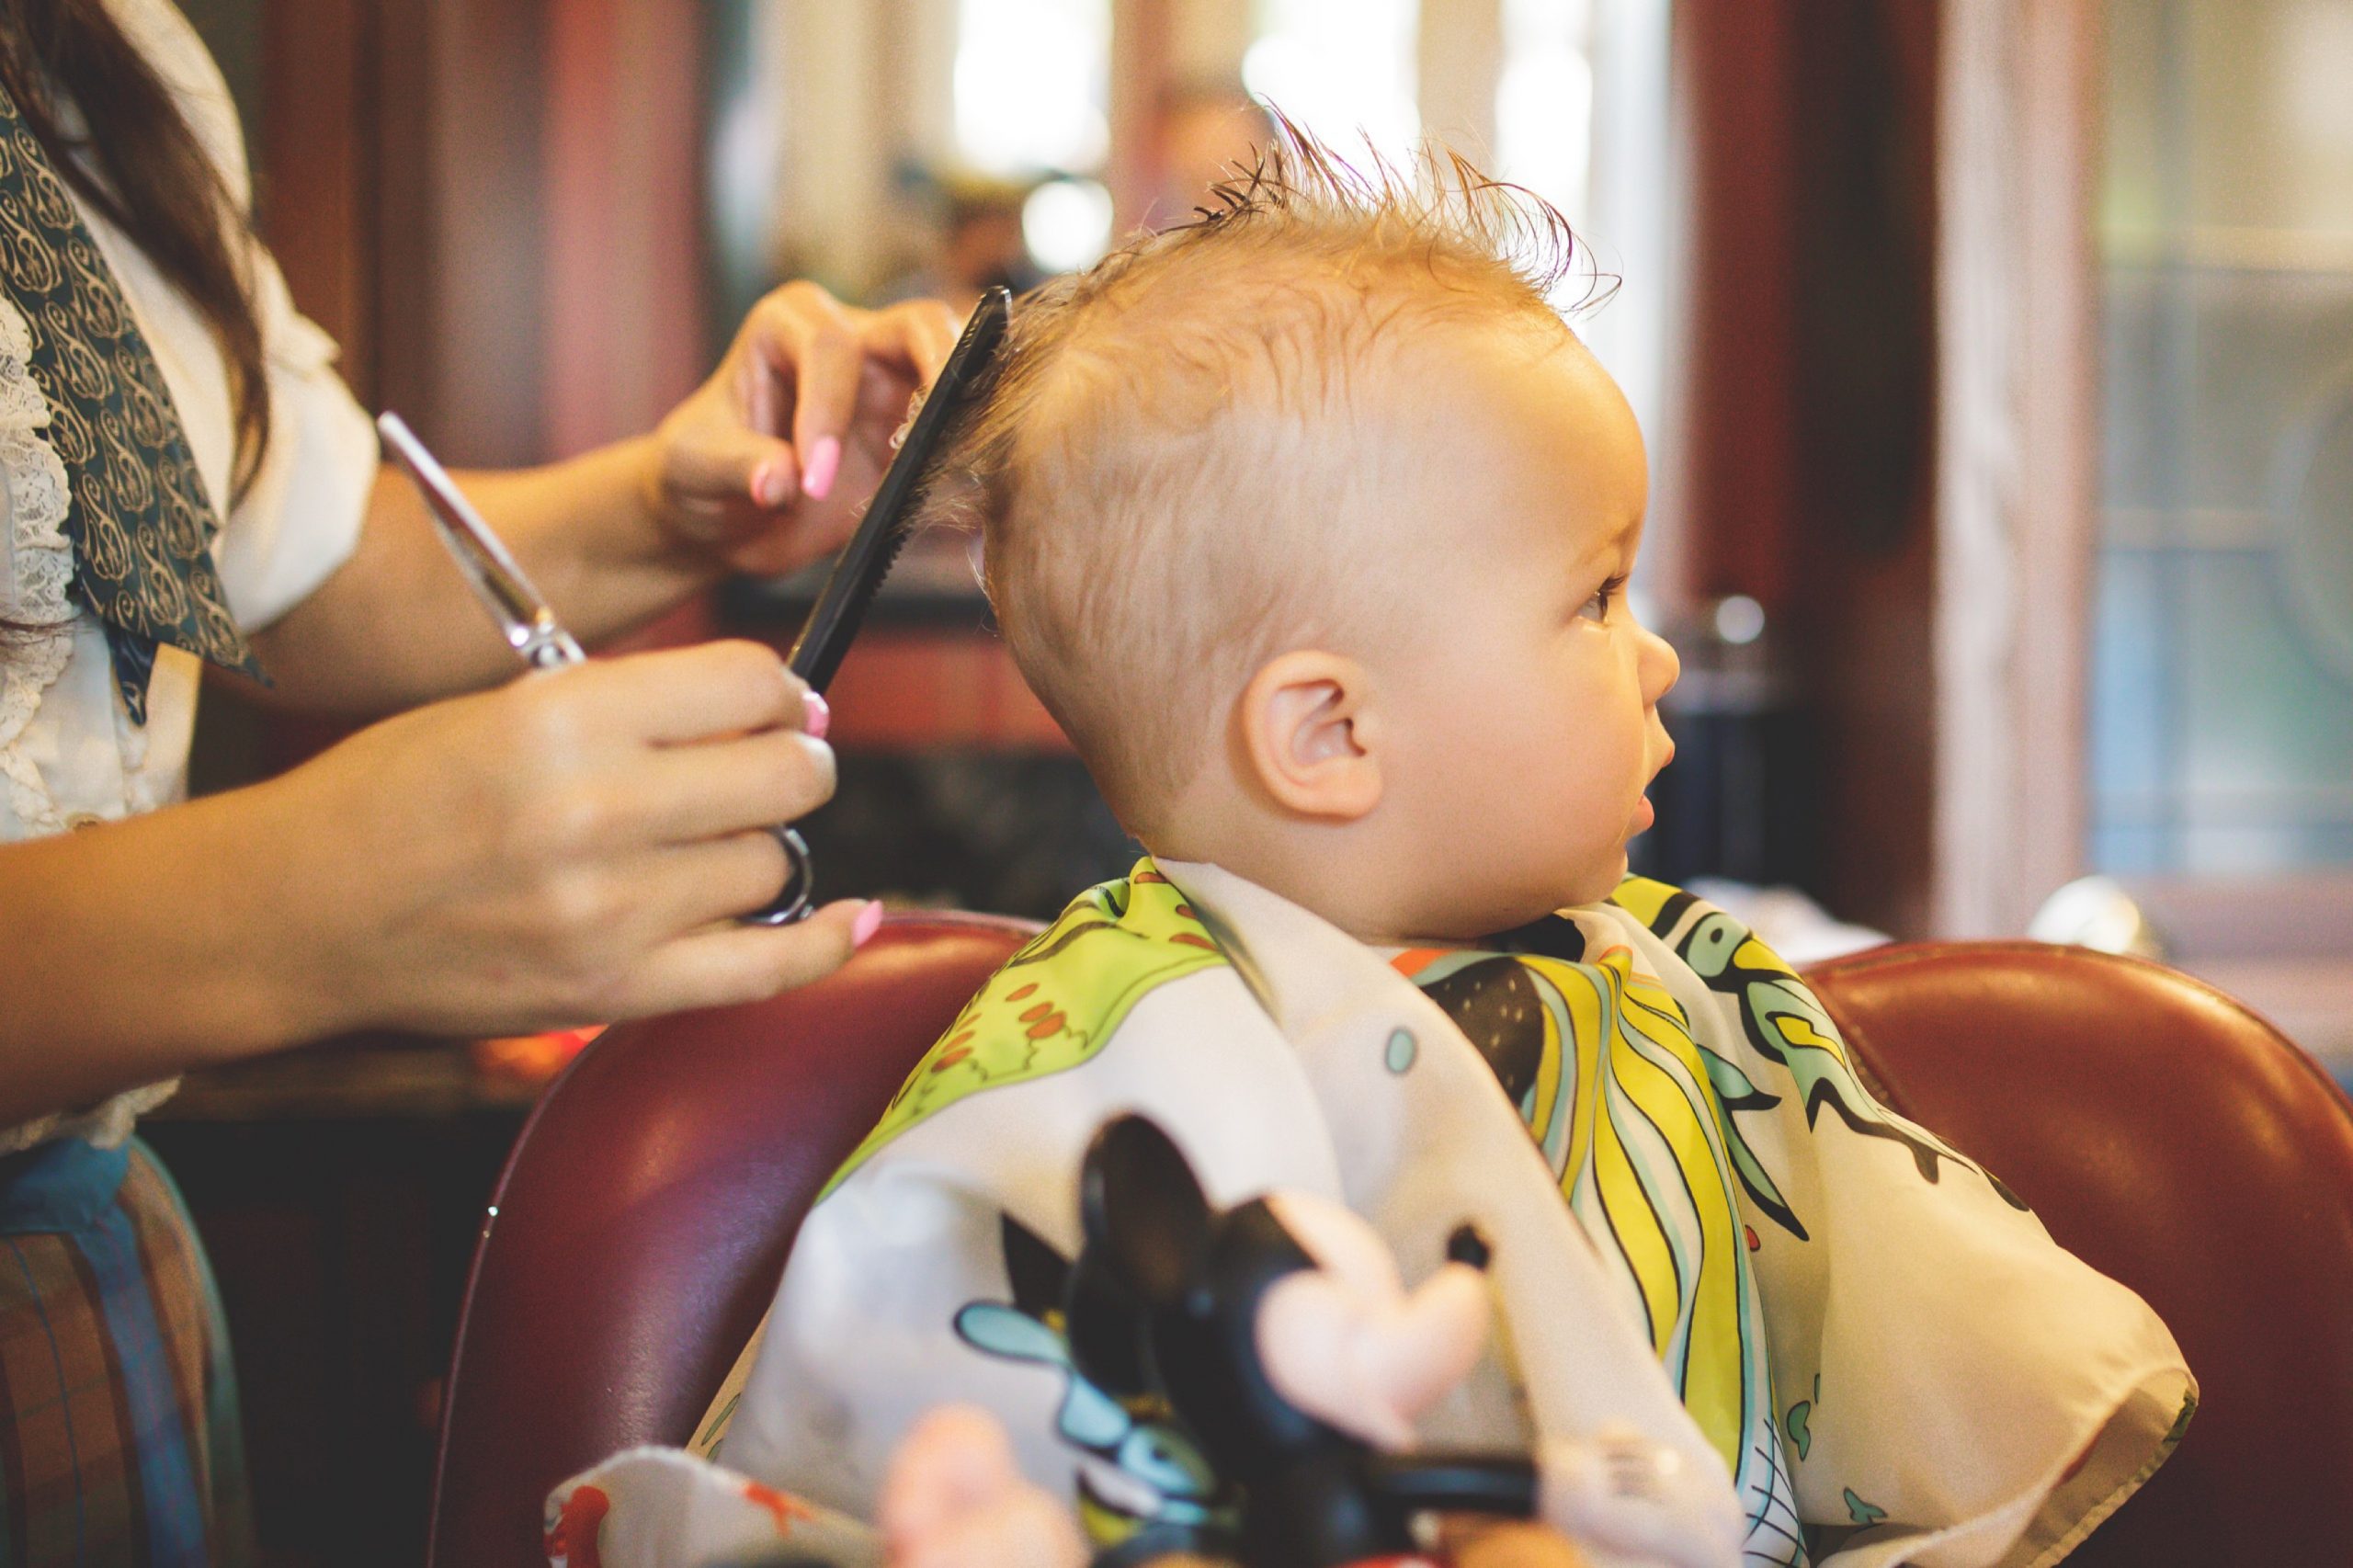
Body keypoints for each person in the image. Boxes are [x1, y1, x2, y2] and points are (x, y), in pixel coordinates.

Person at [553, 139, 2195, 1567]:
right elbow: (1018, 1401)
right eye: (1595, 596)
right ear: (1332, 732)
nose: (1653, 658)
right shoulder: (1138, 1052)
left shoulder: (1655, 966)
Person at [0, 1, 955, 1558]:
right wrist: (314, 900)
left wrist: (671, 510)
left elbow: (274, 559)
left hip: (89, 1272)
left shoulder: (105, 58)